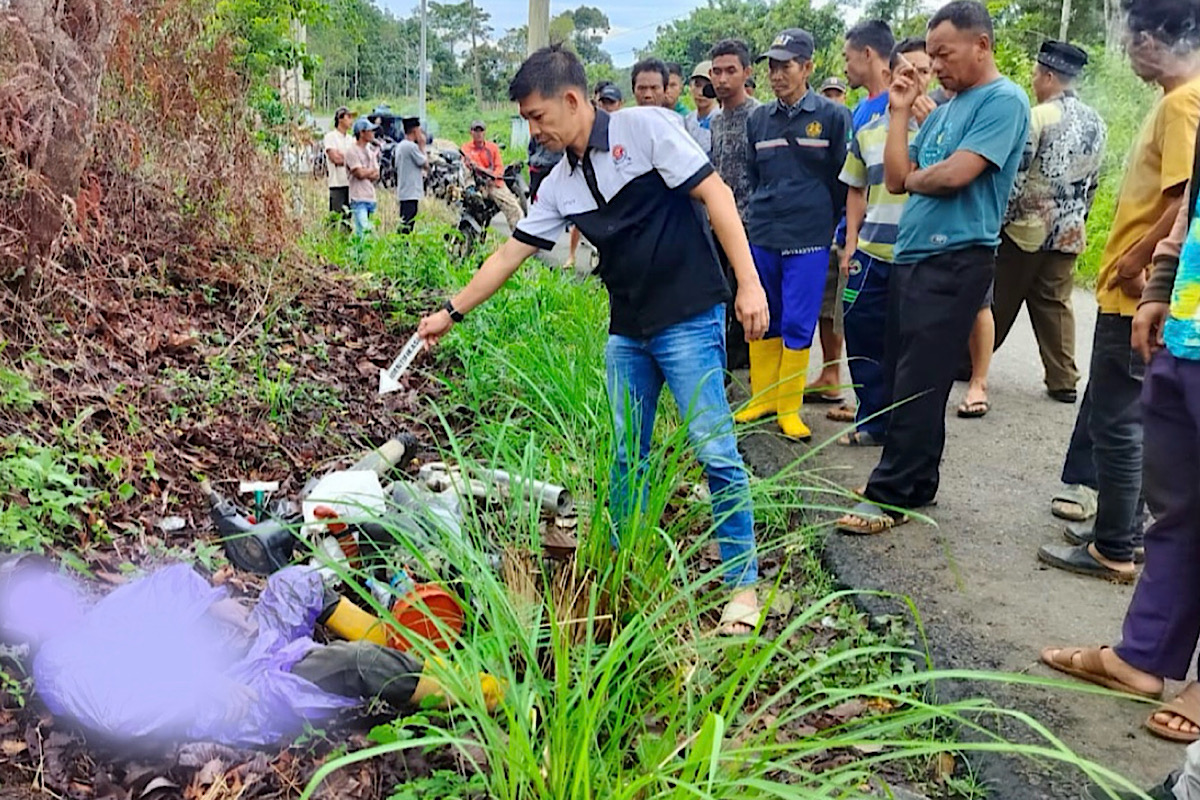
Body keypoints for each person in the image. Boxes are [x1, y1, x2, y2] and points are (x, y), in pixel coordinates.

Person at [416, 45, 770, 634]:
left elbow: (717, 195)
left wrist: (749, 285)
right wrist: (450, 312)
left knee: (714, 451)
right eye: (527, 120)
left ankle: (743, 586)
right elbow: (508, 254)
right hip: (628, 329)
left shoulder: (645, 130)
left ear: (572, 99)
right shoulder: (560, 184)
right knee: (627, 454)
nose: (534, 130)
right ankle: (624, 567)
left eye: (538, 116)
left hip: (688, 314)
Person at [1041, 86, 1200, 745]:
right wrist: (1162, 283)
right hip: (1188, 327)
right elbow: (1192, 202)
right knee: (1180, 509)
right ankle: (1143, 655)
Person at [835, 0, 1029, 533]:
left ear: (981, 45)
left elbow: (954, 175)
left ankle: (891, 495)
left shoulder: (1004, 100)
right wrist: (899, 111)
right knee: (905, 373)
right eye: (931, 56)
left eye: (945, 54)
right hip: (913, 255)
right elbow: (898, 177)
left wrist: (923, 177)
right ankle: (915, 481)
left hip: (956, 255)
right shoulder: (943, 110)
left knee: (919, 378)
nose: (935, 66)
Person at [1039, 9, 1200, 581]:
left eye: (1131, 39)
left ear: (1151, 40)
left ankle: (1114, 547)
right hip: (1134, 292)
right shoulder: (1178, 99)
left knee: (1118, 423)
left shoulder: (1183, 103)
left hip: (1137, 295)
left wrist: (1137, 262)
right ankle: (1121, 531)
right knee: (1124, 416)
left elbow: (1183, 198)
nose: (1129, 51)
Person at [735, 28, 851, 441]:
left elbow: (843, 179)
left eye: (786, 66)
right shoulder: (758, 119)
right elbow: (753, 175)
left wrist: (829, 221)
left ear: (808, 67)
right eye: (772, 66)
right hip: (764, 230)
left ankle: (789, 408)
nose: (777, 74)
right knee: (764, 317)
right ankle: (763, 399)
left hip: (809, 235)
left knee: (799, 320)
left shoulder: (832, 116)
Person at [993, 41, 1106, 403]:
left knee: (999, 297)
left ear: (1048, 76)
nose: (1034, 81)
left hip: (1026, 227)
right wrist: (1080, 217)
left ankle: (966, 362)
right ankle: (1063, 378)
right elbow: (1093, 182)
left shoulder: (1037, 116)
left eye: (1036, 75)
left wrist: (1000, 221)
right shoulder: (1097, 123)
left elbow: (1018, 175)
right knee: (1055, 303)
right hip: (1070, 229)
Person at [837, 37, 936, 448]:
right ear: (893, 76)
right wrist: (851, 243)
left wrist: (930, 126)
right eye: (906, 72)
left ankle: (906, 430)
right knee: (862, 334)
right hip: (872, 251)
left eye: (923, 71)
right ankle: (872, 421)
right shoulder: (868, 129)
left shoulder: (943, 128)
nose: (914, 79)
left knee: (914, 345)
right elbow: (855, 188)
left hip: (920, 256)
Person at [820, 19, 897, 418]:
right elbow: (855, 183)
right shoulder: (863, 109)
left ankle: (878, 409)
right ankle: (865, 401)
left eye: (848, 58)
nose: (845, 66)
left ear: (868, 54)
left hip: (883, 241)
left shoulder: (896, 109)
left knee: (878, 327)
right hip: (854, 237)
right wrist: (848, 238)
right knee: (852, 320)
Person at [709, 38, 760, 370]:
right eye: (717, 71)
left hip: (752, 224)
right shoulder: (714, 121)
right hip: (717, 223)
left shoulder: (759, 116)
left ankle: (746, 373)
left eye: (730, 70)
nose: (722, 79)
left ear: (747, 72)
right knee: (719, 296)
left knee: (748, 296)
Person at [462, 120, 525, 231]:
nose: (478, 133)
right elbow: (464, 164)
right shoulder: (466, 148)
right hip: (475, 183)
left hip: (493, 184)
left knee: (514, 208)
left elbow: (499, 167)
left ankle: (519, 235)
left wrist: (492, 176)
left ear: (484, 132)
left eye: (481, 130)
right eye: (476, 130)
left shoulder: (492, 148)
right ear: (471, 132)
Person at [343, 116, 381, 237]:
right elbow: (359, 173)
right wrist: (369, 172)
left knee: (365, 232)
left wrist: (366, 171)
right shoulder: (352, 151)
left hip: (370, 197)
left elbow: (377, 174)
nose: (373, 133)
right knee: (365, 231)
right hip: (358, 198)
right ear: (362, 133)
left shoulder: (370, 151)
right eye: (370, 130)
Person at [395, 117, 427, 235]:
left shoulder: (400, 146)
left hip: (404, 191)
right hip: (411, 191)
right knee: (407, 224)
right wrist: (422, 145)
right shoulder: (411, 147)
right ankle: (402, 244)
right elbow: (425, 163)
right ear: (415, 131)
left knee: (405, 221)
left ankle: (401, 243)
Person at [323, 107, 354, 226]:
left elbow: (356, 159)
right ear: (340, 119)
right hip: (337, 184)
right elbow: (335, 158)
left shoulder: (351, 139)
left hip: (350, 184)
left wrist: (343, 157)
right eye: (348, 117)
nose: (351, 120)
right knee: (336, 219)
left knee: (348, 220)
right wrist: (348, 159)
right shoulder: (330, 137)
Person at [684, 60, 720, 155]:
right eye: (697, 85)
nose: (701, 93)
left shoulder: (721, 120)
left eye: (707, 86)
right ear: (690, 87)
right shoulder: (687, 121)